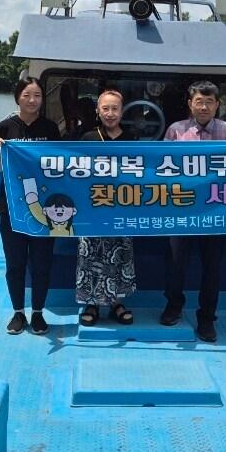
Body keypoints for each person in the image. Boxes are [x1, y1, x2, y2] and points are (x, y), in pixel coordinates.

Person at [161, 80, 226, 343]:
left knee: (212, 268)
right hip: (181, 211)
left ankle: (207, 319)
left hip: (215, 213)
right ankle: (173, 306)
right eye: (199, 101)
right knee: (175, 263)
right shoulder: (175, 131)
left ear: (218, 104)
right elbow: (162, 170)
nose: (204, 107)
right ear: (190, 103)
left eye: (209, 102)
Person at [0, 77, 60, 336]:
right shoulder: (5, 128)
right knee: (15, 263)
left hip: (44, 207)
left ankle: (39, 312)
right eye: (27, 95)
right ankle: (18, 311)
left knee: (42, 263)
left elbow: (57, 166)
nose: (33, 100)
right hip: (11, 205)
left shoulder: (51, 128)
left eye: (38, 96)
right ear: (18, 98)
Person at [75, 87, 137, 327]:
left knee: (120, 254)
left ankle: (116, 302)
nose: (110, 113)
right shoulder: (88, 138)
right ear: (98, 111)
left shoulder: (131, 139)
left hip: (122, 207)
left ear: (122, 112)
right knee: (90, 254)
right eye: (105, 108)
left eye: (115, 108)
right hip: (93, 206)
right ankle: (91, 303)